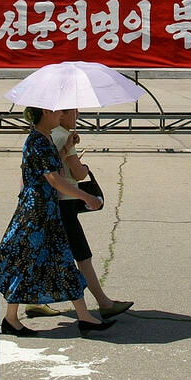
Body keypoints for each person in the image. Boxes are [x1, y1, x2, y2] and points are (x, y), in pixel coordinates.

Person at [0, 106, 115, 338]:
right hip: (36, 213)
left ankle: (82, 317)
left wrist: (65, 149)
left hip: (46, 211)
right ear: (45, 112)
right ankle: (11, 318)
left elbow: (54, 170)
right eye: (57, 112)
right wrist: (86, 196)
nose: (61, 116)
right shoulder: (38, 141)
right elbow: (53, 179)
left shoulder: (44, 139)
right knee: (24, 260)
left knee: (57, 261)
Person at [25, 108, 133, 321]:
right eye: (73, 111)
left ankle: (32, 302)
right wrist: (84, 172)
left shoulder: (50, 136)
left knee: (44, 253)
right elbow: (75, 173)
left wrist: (68, 148)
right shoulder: (60, 134)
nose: (78, 115)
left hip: (50, 203)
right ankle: (102, 303)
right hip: (64, 203)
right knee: (81, 255)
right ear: (59, 114)